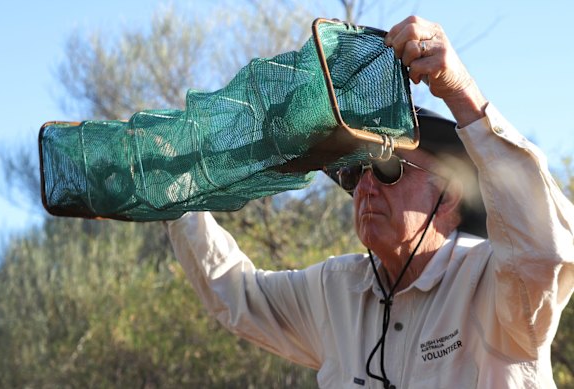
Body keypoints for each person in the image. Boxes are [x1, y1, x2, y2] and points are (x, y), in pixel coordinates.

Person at [167, 16, 574, 388]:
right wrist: (178, 190)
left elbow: (548, 251)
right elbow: (236, 294)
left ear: (448, 196)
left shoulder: (494, 282)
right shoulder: (335, 289)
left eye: (385, 168)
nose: (365, 188)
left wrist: (463, 93)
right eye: (351, 173)